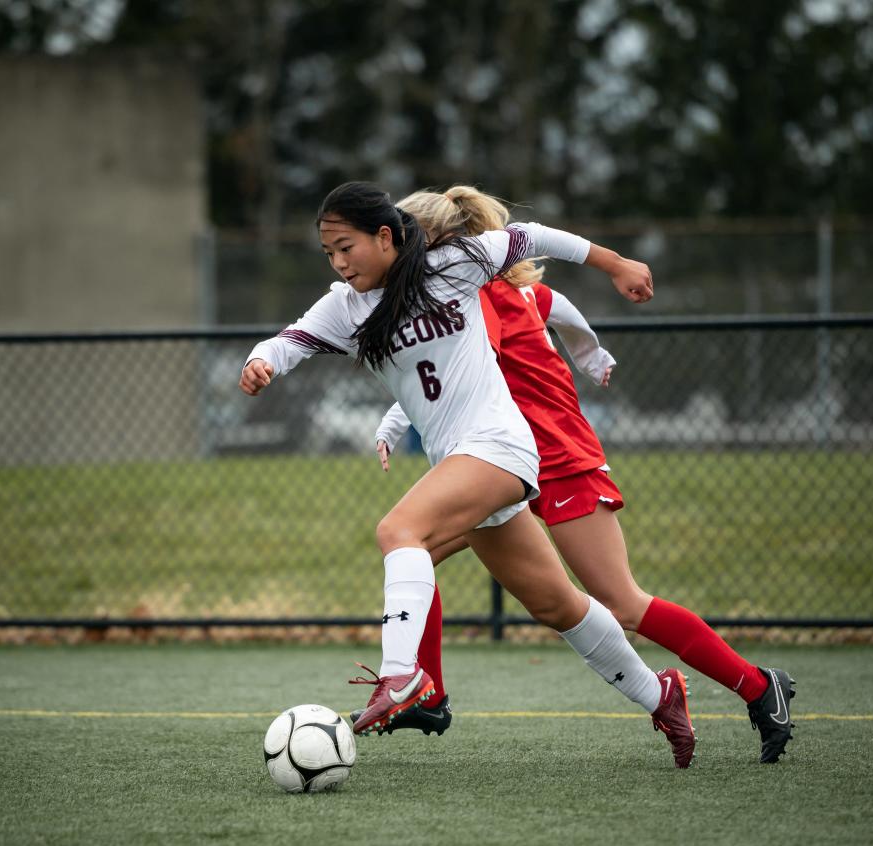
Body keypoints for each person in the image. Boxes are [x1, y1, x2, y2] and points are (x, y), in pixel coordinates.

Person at [240, 181, 696, 768]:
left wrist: (616, 263)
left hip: (500, 446)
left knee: (398, 531)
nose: (338, 261)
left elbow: (534, 237)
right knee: (560, 607)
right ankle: (661, 696)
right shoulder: (347, 306)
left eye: (346, 246)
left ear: (385, 236)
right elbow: (289, 340)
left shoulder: (454, 264)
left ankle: (404, 679)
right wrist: (261, 361)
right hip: (461, 464)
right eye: (329, 252)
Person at [360, 185, 796, 764]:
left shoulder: (469, 291)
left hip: (556, 456)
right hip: (497, 463)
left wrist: (590, 351)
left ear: (423, 244)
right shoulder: (488, 290)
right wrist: (592, 352)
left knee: (622, 602)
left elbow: (453, 356)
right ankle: (429, 692)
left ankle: (759, 686)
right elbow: (551, 305)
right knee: (415, 553)